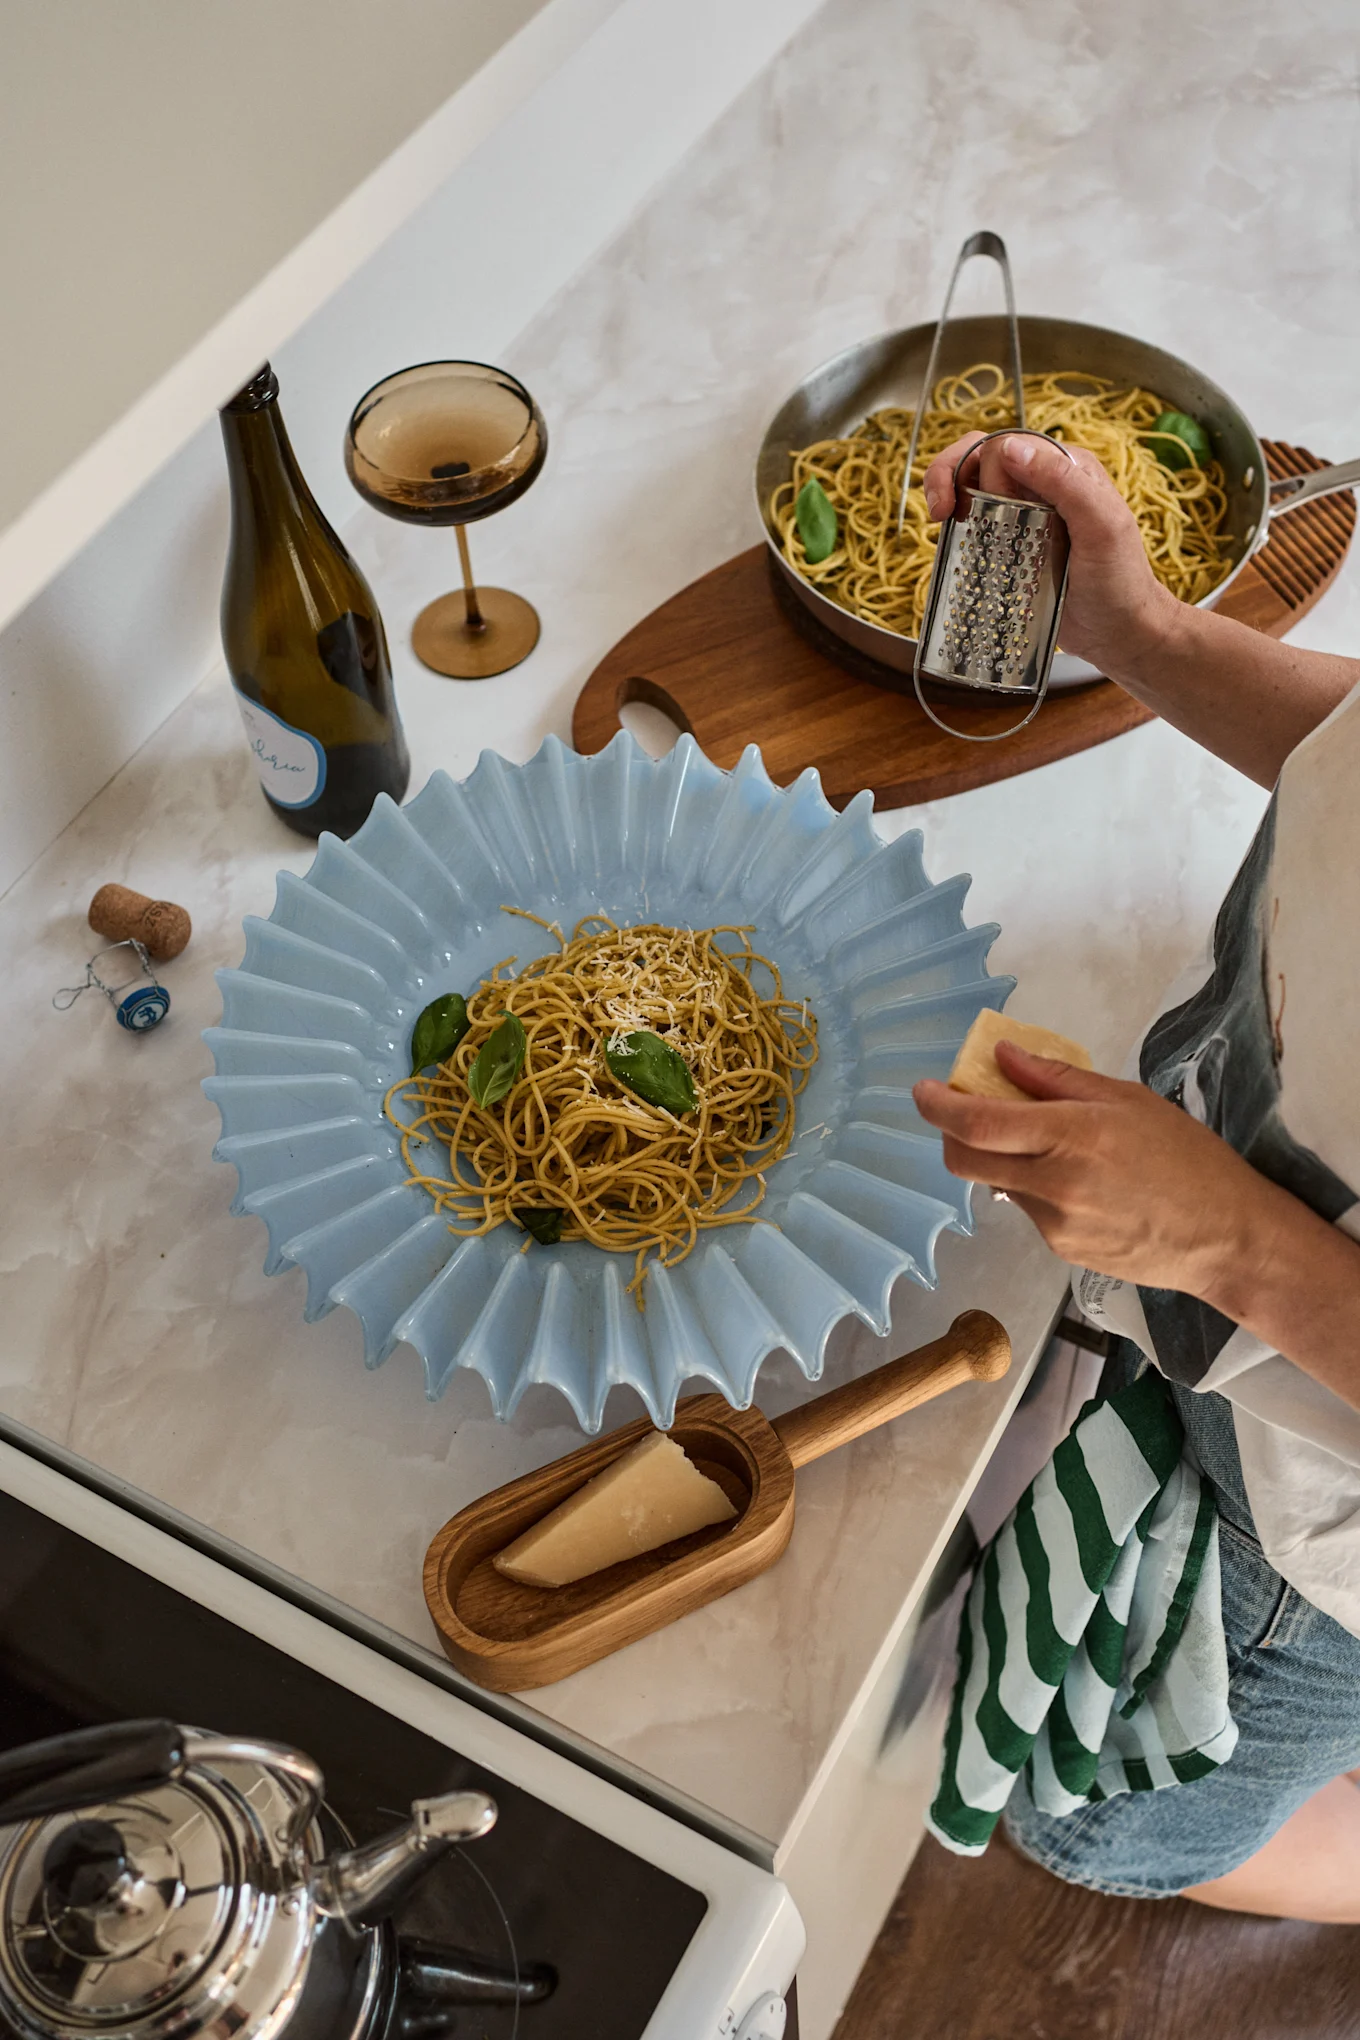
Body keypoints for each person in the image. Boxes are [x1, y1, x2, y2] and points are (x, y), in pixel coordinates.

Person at [911, 428, 1360, 1922]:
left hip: (1317, 1529)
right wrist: (1140, 632)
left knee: (1101, 1829)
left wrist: (1239, 1250)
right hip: (1225, 1264)